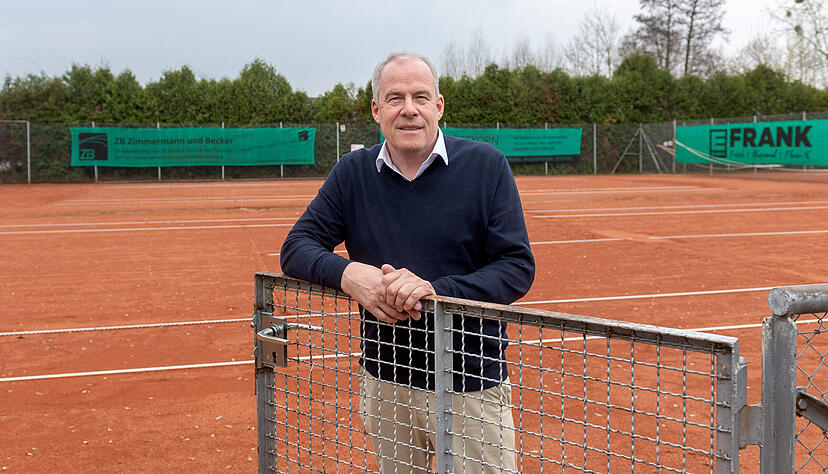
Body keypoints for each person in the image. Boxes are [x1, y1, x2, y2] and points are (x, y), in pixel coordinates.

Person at [280, 52, 534, 473]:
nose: (409, 109)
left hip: (469, 379)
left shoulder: (486, 166)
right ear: (377, 110)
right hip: (386, 380)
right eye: (395, 98)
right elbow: (297, 246)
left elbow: (516, 267)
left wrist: (436, 292)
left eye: (420, 96)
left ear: (439, 105)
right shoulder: (352, 173)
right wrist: (350, 274)